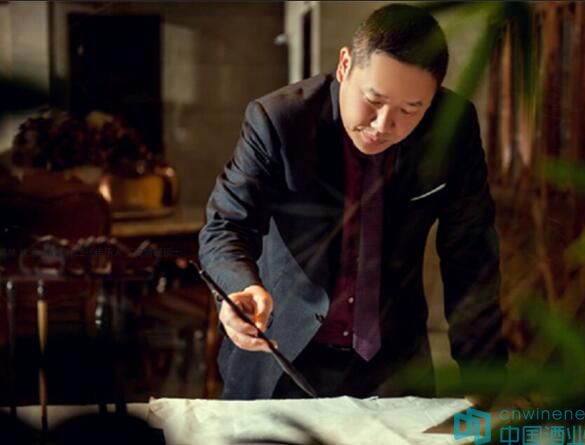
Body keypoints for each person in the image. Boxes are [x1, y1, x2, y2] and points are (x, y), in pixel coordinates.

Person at [199, 3, 508, 400]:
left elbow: (471, 256)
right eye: (373, 99)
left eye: (409, 110)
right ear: (345, 65)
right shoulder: (280, 121)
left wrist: (487, 383)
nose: (383, 125)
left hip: (394, 367)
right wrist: (240, 288)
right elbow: (226, 225)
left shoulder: (453, 128)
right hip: (281, 358)